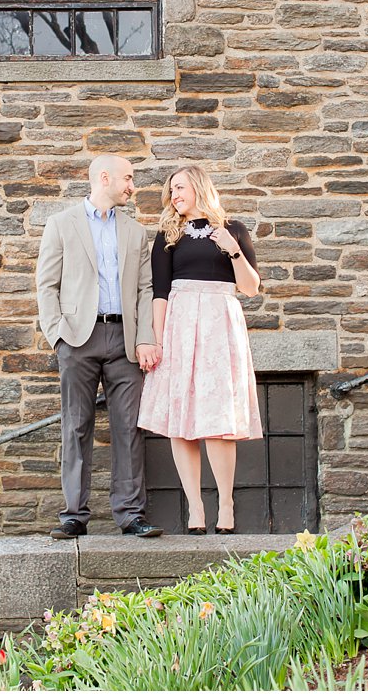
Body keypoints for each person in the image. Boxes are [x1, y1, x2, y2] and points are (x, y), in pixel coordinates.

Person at [36, 154, 163, 539]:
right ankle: (74, 515)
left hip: (125, 339)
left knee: (130, 429)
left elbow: (145, 289)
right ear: (103, 178)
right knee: (76, 426)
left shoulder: (136, 232)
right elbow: (47, 285)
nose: (132, 186)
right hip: (77, 338)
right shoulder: (61, 225)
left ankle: (130, 515)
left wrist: (146, 338)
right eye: (127, 178)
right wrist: (57, 335)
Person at [137, 164, 263, 535]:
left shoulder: (233, 229)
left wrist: (234, 251)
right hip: (179, 324)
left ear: (199, 187)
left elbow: (252, 288)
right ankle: (195, 508)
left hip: (220, 326)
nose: (174, 194)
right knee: (181, 422)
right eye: (171, 189)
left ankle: (225, 503)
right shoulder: (167, 236)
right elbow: (160, 292)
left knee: (218, 420)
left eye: (180, 187)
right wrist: (159, 340)